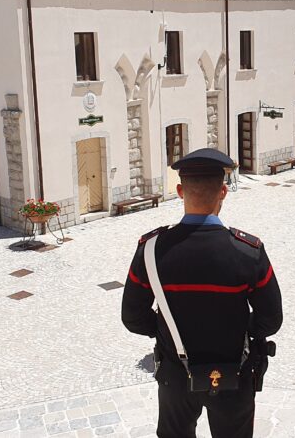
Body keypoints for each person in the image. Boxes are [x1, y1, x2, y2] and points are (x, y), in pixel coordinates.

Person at [121, 148, 283, 438]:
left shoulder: (151, 250)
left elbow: (133, 317)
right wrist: (238, 331)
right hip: (235, 370)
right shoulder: (248, 251)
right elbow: (270, 320)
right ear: (223, 191)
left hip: (175, 374)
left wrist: (166, 332)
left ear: (180, 190)